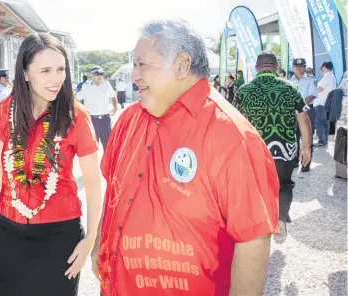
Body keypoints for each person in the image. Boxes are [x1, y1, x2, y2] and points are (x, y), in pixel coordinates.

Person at [91, 19, 279, 296]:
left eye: (142, 65)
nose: (134, 75)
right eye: (134, 65)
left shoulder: (232, 137)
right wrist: (99, 244)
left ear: (181, 65)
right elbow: (114, 190)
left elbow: (253, 238)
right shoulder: (128, 120)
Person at [0, 33, 102, 296]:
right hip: (8, 230)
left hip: (59, 236)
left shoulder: (76, 115)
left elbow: (94, 181)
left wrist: (90, 239)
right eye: (46, 70)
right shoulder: (5, 109)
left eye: (61, 69)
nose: (56, 79)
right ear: (26, 73)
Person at [234, 51, 312, 244]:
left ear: (256, 68)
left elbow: (233, 121)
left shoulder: (244, 90)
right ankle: (281, 218)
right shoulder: (291, 88)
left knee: (256, 187)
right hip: (285, 149)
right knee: (284, 184)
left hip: (255, 149)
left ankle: (259, 227)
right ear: (277, 68)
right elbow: (303, 119)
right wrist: (307, 147)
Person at [77, 66, 117, 151]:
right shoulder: (86, 86)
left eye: (101, 74)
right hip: (92, 120)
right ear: (92, 75)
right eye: (97, 74)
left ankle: (107, 164)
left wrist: (115, 108)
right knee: (91, 148)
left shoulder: (106, 84)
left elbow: (113, 96)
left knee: (108, 147)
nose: (99, 76)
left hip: (105, 120)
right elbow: (77, 99)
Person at [291, 58, 317, 172]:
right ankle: (295, 161)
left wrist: (299, 106)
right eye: (296, 66)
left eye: (301, 66)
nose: (299, 68)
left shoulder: (311, 80)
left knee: (307, 137)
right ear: (293, 67)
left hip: (307, 110)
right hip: (292, 112)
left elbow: (312, 95)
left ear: (304, 67)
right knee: (294, 137)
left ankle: (306, 164)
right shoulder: (289, 81)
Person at [315, 61, 337, 147]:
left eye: (321, 68)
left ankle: (321, 141)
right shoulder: (332, 76)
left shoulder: (327, 76)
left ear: (324, 67)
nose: (321, 69)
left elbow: (319, 89)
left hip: (321, 102)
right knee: (325, 122)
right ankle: (325, 140)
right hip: (327, 103)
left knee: (319, 122)